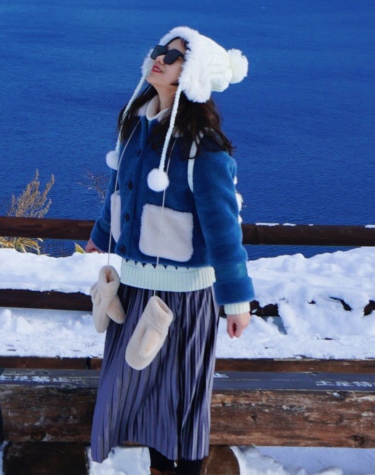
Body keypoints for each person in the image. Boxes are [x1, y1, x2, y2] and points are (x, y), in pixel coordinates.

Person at [85, 27, 254, 475]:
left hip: (183, 300)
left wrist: (236, 299)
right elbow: (121, 191)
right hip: (136, 289)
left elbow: (224, 229)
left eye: (175, 57)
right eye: (160, 51)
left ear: (193, 75)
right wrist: (102, 235)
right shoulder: (136, 127)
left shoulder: (205, 149)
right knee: (141, 400)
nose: (159, 58)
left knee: (180, 405)